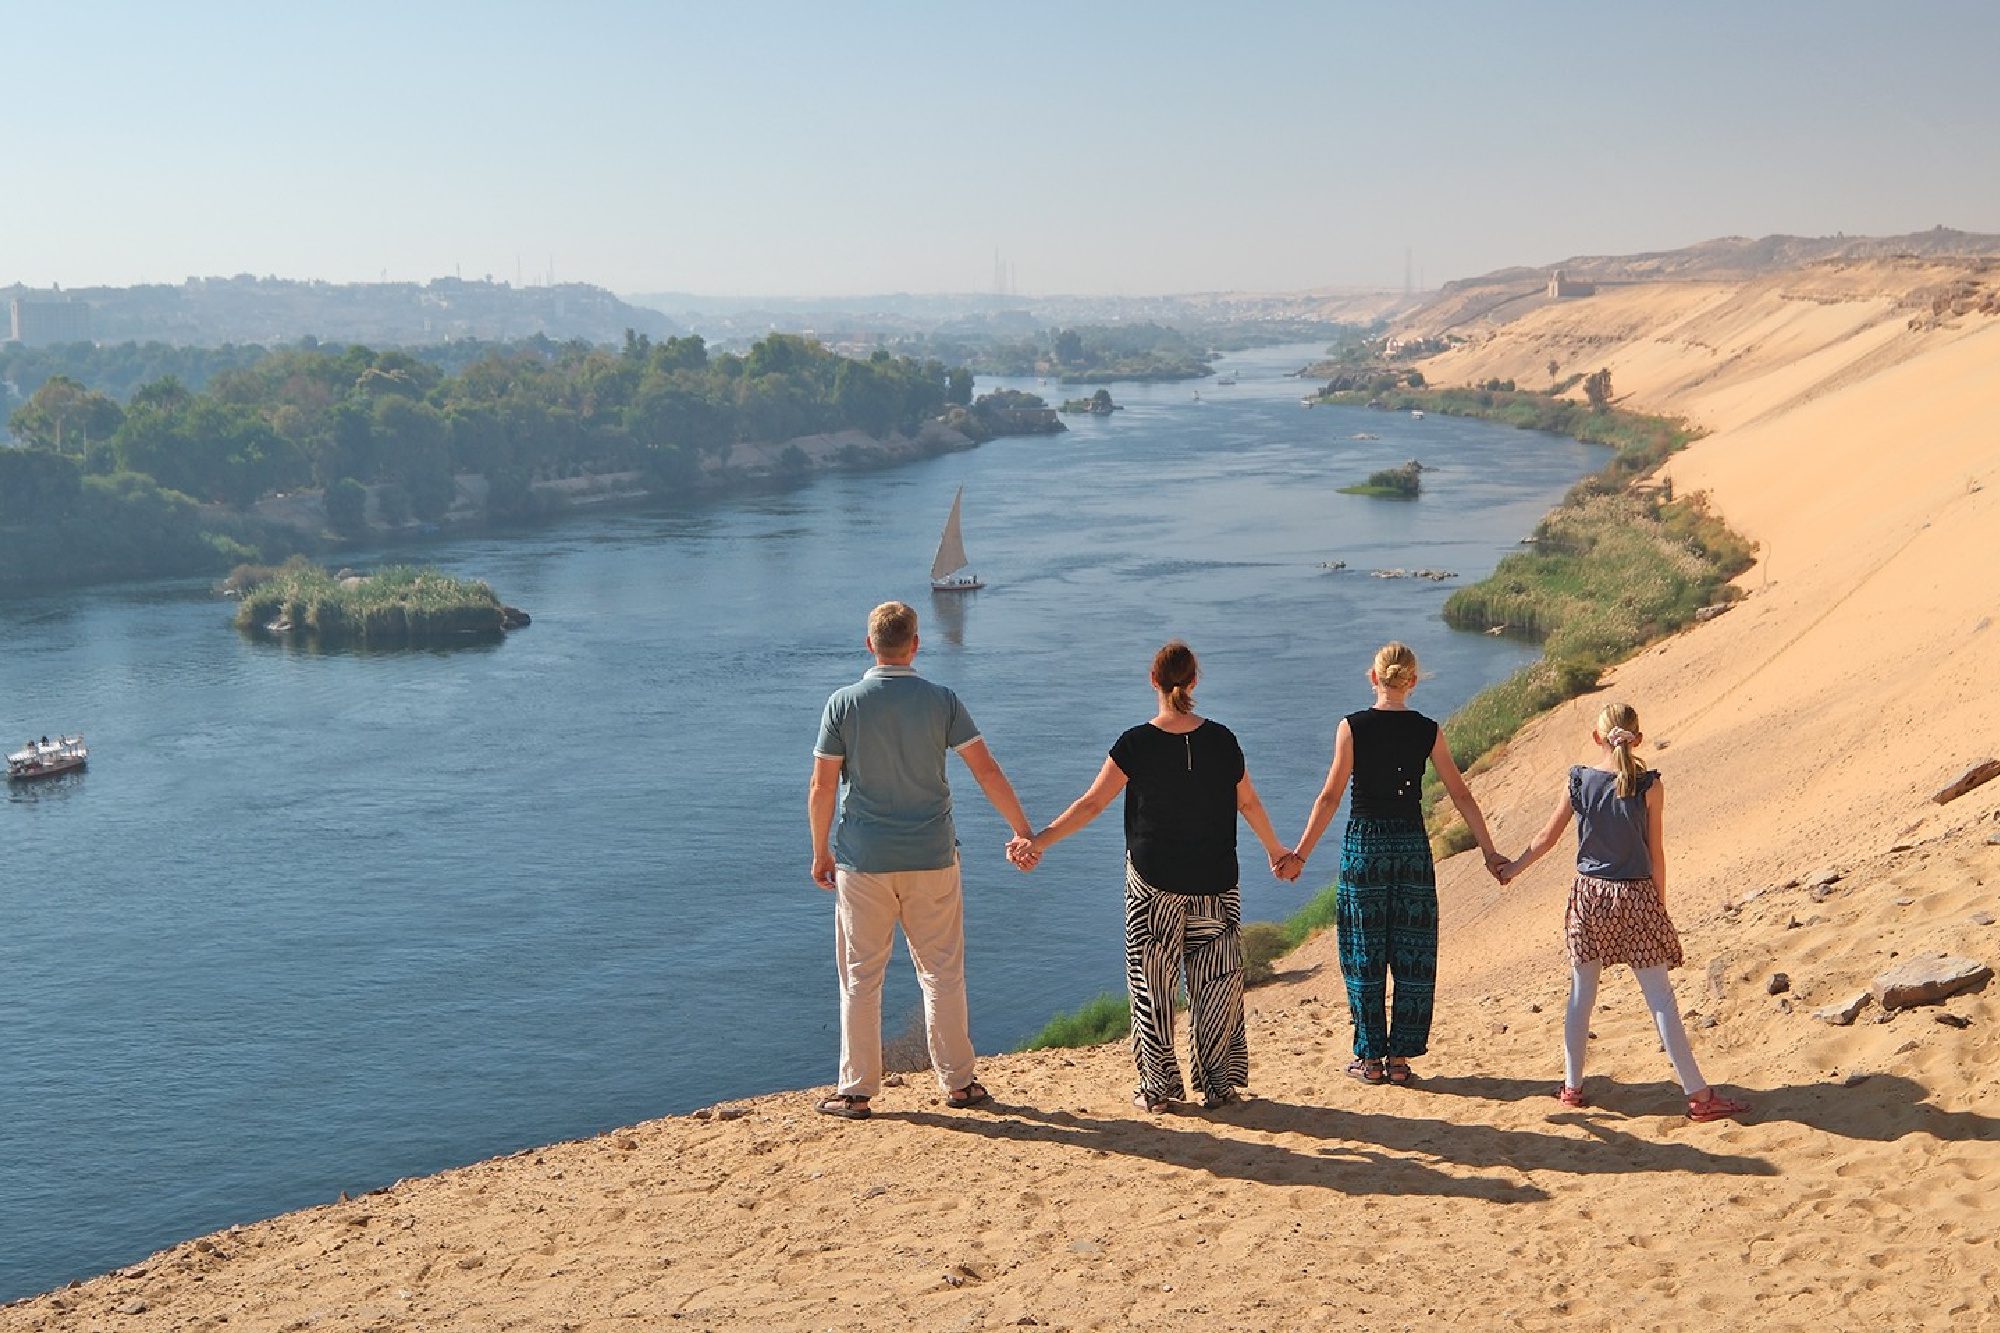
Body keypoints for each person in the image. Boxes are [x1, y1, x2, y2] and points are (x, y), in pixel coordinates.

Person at [1007, 641, 1298, 1113]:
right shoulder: (1223, 740)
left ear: (1153, 681)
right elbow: (1248, 803)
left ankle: (1158, 1089)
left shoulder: (1135, 744)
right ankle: (1219, 1086)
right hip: (1216, 883)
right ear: (1195, 681)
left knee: (1153, 987)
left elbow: (1092, 805)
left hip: (1153, 885)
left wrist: (1037, 841)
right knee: (1218, 984)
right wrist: (1277, 851)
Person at [808, 600, 1036, 1121]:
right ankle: (959, 1084)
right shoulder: (942, 701)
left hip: (863, 861)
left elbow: (823, 785)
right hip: (933, 857)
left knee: (862, 977)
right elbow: (987, 771)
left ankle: (856, 1091)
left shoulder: (842, 705)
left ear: (870, 645)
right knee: (941, 973)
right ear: (915, 645)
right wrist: (1023, 831)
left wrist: (820, 851)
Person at [1497, 702, 1748, 1121]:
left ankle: (1572, 1087)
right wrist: (1658, 907)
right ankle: (1700, 1098)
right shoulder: (1650, 786)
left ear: (1598, 738)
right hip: (1636, 896)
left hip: (1589, 896)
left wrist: (1511, 870)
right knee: (1661, 999)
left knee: (1581, 995)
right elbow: (1656, 853)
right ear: (1638, 739)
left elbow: (1546, 838)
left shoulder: (1578, 780)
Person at [1288, 642, 1504, 1086]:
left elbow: (1329, 797)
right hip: (1410, 846)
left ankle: (1369, 1060)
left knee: (1364, 950)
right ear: (1412, 681)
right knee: (1412, 949)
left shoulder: (1351, 727)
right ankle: (1401, 1060)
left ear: (1374, 677)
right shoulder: (1428, 730)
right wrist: (1488, 849)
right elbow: (1461, 794)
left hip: (1364, 847)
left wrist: (1300, 854)